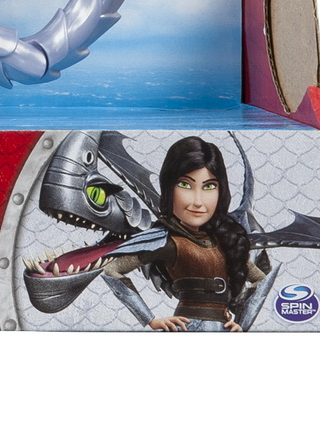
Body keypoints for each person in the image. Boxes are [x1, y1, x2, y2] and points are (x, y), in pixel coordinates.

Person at [102, 136, 266, 331]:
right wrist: (150, 319)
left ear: (220, 191)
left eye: (209, 186)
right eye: (185, 185)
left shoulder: (224, 239)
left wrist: (242, 322)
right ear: (169, 188)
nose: (198, 201)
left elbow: (260, 280)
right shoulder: (166, 241)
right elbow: (111, 271)